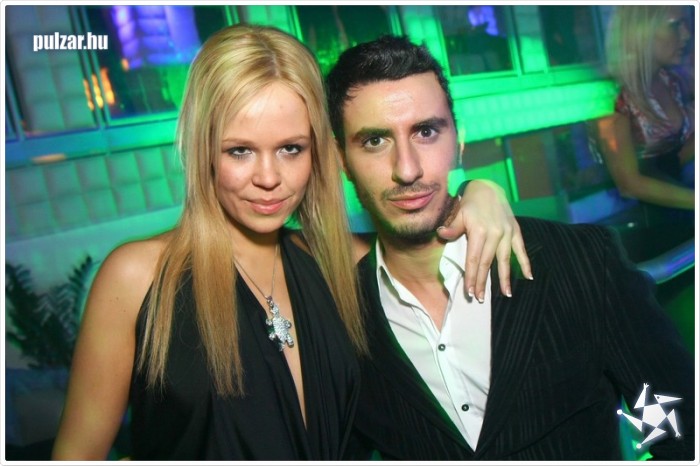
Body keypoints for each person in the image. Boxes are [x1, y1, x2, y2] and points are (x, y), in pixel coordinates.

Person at [51, 24, 529, 461]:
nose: (268, 178)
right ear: (203, 150)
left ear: (318, 152)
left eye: (290, 149)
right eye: (240, 150)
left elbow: (425, 232)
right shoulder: (137, 277)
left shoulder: (338, 261)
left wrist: (480, 192)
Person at [326, 35, 695, 461]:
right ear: (342, 159)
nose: (406, 169)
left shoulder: (580, 263)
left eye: (426, 132)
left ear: (458, 141)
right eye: (375, 141)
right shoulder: (339, 317)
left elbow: (670, 419)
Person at [592, 5, 694, 213]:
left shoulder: (671, 81)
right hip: (640, 221)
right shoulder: (610, 95)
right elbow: (629, 184)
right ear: (642, 31)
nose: (687, 35)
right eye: (675, 25)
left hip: (678, 208)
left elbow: (672, 158)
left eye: (686, 24)